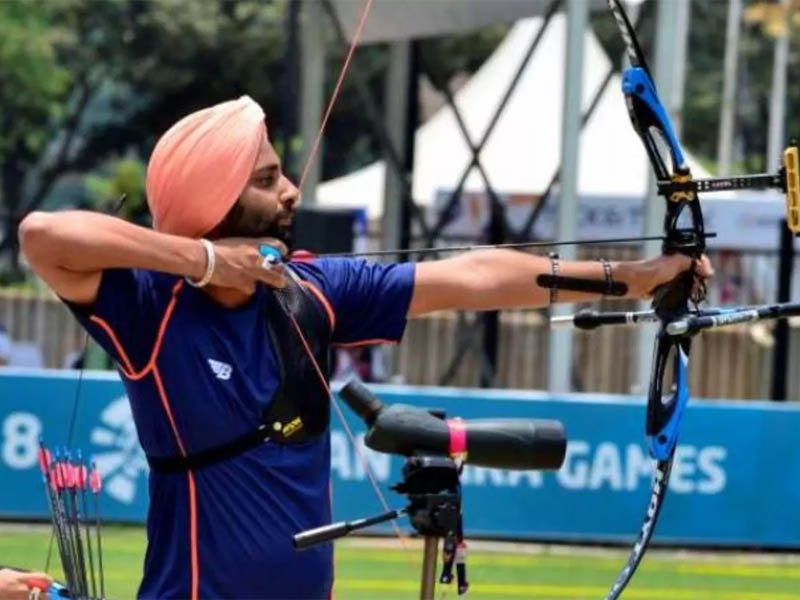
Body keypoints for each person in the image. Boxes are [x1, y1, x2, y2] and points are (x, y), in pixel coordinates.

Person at [19, 96, 712, 600]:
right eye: (266, 180)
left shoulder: (311, 290)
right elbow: (43, 236)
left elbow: (474, 274)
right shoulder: (149, 310)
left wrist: (632, 278)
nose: (291, 191)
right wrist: (205, 261)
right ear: (213, 200)